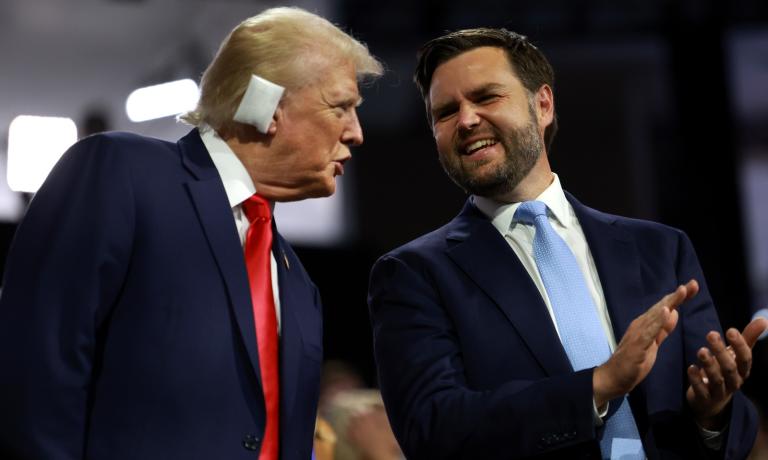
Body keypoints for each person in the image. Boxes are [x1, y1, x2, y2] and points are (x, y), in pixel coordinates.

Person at [0, 7, 382, 460]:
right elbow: (34, 371)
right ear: (268, 105)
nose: (357, 133)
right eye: (340, 107)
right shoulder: (121, 173)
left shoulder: (298, 283)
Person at [367, 27, 768, 459]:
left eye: (486, 97)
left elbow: (732, 433)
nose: (466, 121)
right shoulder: (414, 274)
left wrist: (713, 411)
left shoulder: (659, 249)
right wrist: (598, 385)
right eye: (445, 112)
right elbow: (432, 428)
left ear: (542, 104)